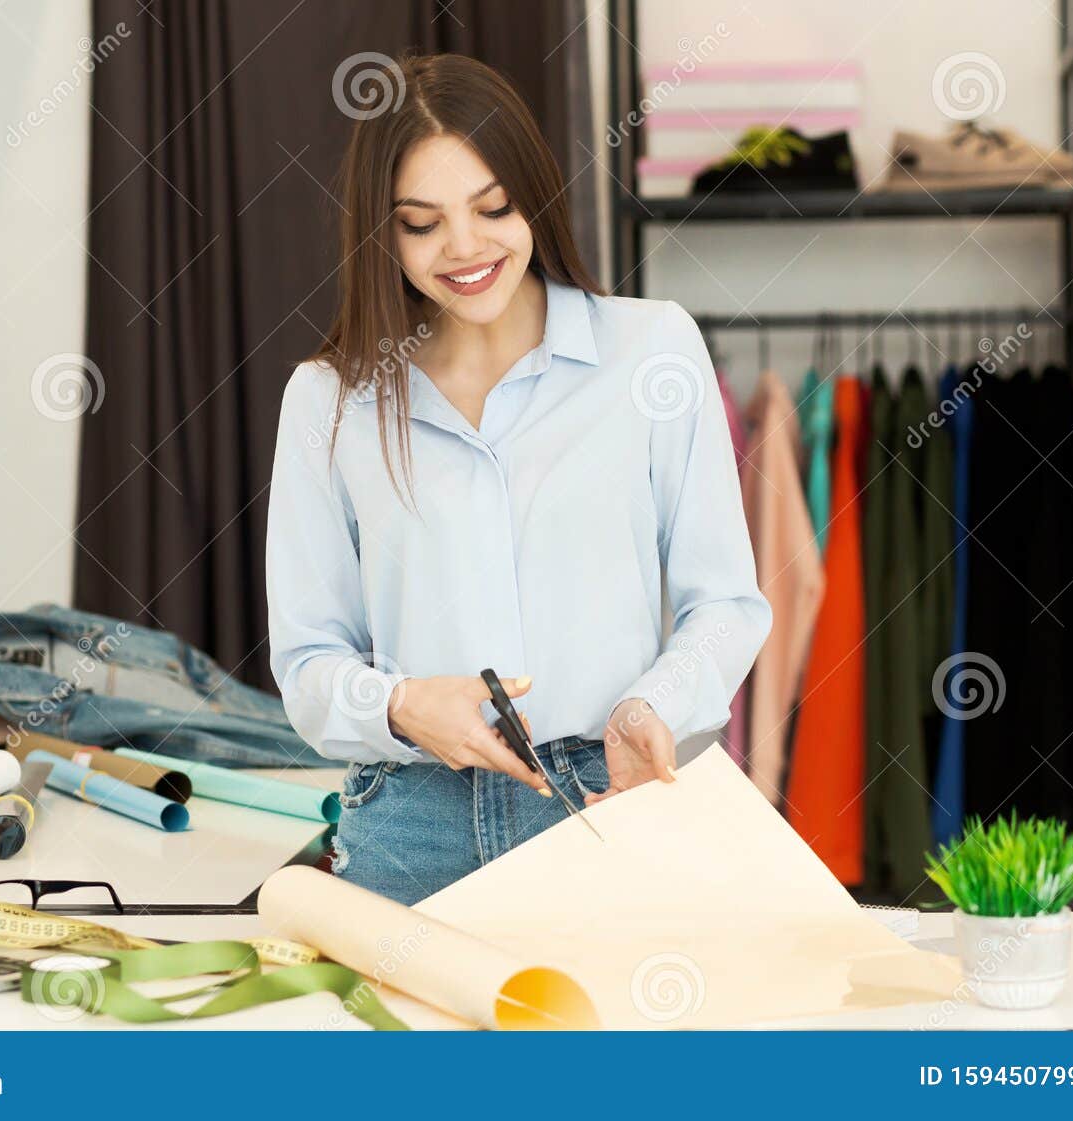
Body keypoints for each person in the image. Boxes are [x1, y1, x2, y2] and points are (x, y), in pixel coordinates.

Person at [267, 52, 769, 905]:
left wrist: (653, 705)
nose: (465, 248)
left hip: (602, 805)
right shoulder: (331, 399)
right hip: (406, 821)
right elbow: (309, 659)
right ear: (381, 234)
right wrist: (399, 705)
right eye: (421, 224)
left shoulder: (651, 351)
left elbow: (725, 603)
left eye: (493, 207)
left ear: (533, 193)